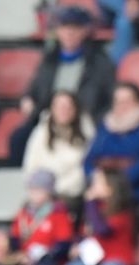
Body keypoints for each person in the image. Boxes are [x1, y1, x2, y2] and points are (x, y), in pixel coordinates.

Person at [12, 6, 116, 166]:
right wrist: (29, 98)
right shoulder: (49, 60)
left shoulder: (99, 62)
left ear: (85, 31)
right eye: (64, 28)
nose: (69, 33)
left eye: (75, 28)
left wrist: (94, 118)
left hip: (83, 120)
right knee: (19, 139)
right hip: (49, 118)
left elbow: (109, 97)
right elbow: (35, 88)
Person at [61, 168, 135, 265]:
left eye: (98, 182)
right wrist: (78, 245)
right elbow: (85, 234)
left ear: (111, 188)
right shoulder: (94, 208)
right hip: (94, 260)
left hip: (116, 259)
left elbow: (103, 230)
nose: (93, 186)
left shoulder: (122, 211)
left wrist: (90, 203)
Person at [85, 82, 139, 206]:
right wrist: (95, 177)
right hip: (103, 187)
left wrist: (117, 181)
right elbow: (90, 159)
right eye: (118, 101)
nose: (121, 106)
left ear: (138, 102)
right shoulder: (105, 127)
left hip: (136, 190)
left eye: (127, 101)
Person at [21, 89, 93, 203]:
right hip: (40, 192)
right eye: (59, 106)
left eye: (67, 106)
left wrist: (53, 191)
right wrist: (37, 188)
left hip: (69, 194)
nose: (63, 110)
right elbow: (30, 163)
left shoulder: (86, 132)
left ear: (75, 109)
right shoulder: (41, 131)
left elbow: (82, 171)